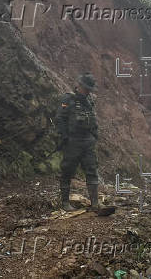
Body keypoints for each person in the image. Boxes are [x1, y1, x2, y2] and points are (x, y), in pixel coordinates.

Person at [56, 73, 99, 211]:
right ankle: (65, 203)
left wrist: (95, 135)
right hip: (73, 141)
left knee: (92, 170)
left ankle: (95, 203)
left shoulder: (90, 100)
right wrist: (64, 137)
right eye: (85, 88)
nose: (87, 91)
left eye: (89, 89)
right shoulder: (68, 99)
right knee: (67, 171)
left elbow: (93, 119)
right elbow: (60, 119)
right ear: (79, 86)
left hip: (88, 141)